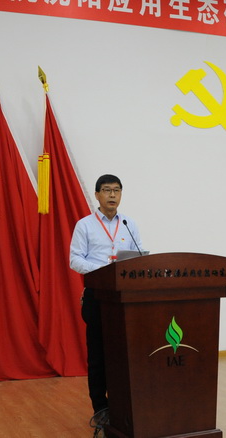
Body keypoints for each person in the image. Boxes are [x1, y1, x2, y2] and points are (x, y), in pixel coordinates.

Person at [70, 174, 143, 432]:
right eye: (107, 190)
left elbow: (140, 255)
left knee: (125, 354)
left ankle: (124, 406)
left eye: (116, 190)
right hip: (98, 296)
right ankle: (101, 408)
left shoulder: (128, 224)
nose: (112, 195)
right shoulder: (85, 225)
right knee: (99, 356)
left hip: (124, 299)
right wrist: (104, 271)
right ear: (97, 195)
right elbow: (75, 259)